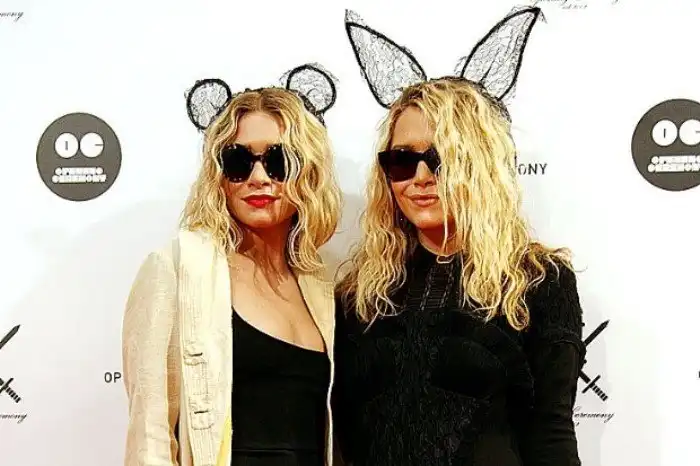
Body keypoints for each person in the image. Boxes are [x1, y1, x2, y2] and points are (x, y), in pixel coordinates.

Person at [333, 7, 585, 466]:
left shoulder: (537, 281)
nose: (420, 178)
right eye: (402, 161)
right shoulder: (361, 294)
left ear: (479, 166)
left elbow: (551, 435)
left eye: (441, 159)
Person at [122, 64, 342, 466]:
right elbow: (150, 437)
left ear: (308, 172)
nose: (258, 177)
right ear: (219, 175)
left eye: (279, 161)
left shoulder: (322, 282)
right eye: (239, 162)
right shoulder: (176, 268)